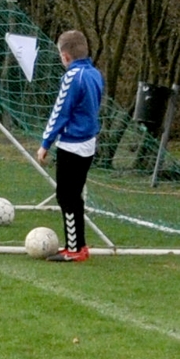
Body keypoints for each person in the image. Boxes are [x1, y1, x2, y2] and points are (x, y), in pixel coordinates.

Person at [37, 30, 104, 263]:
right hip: (88, 142)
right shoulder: (95, 74)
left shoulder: (73, 76)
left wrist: (46, 143)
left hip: (73, 144)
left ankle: (74, 249)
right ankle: (80, 246)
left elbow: (60, 111)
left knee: (66, 196)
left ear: (65, 56)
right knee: (74, 195)